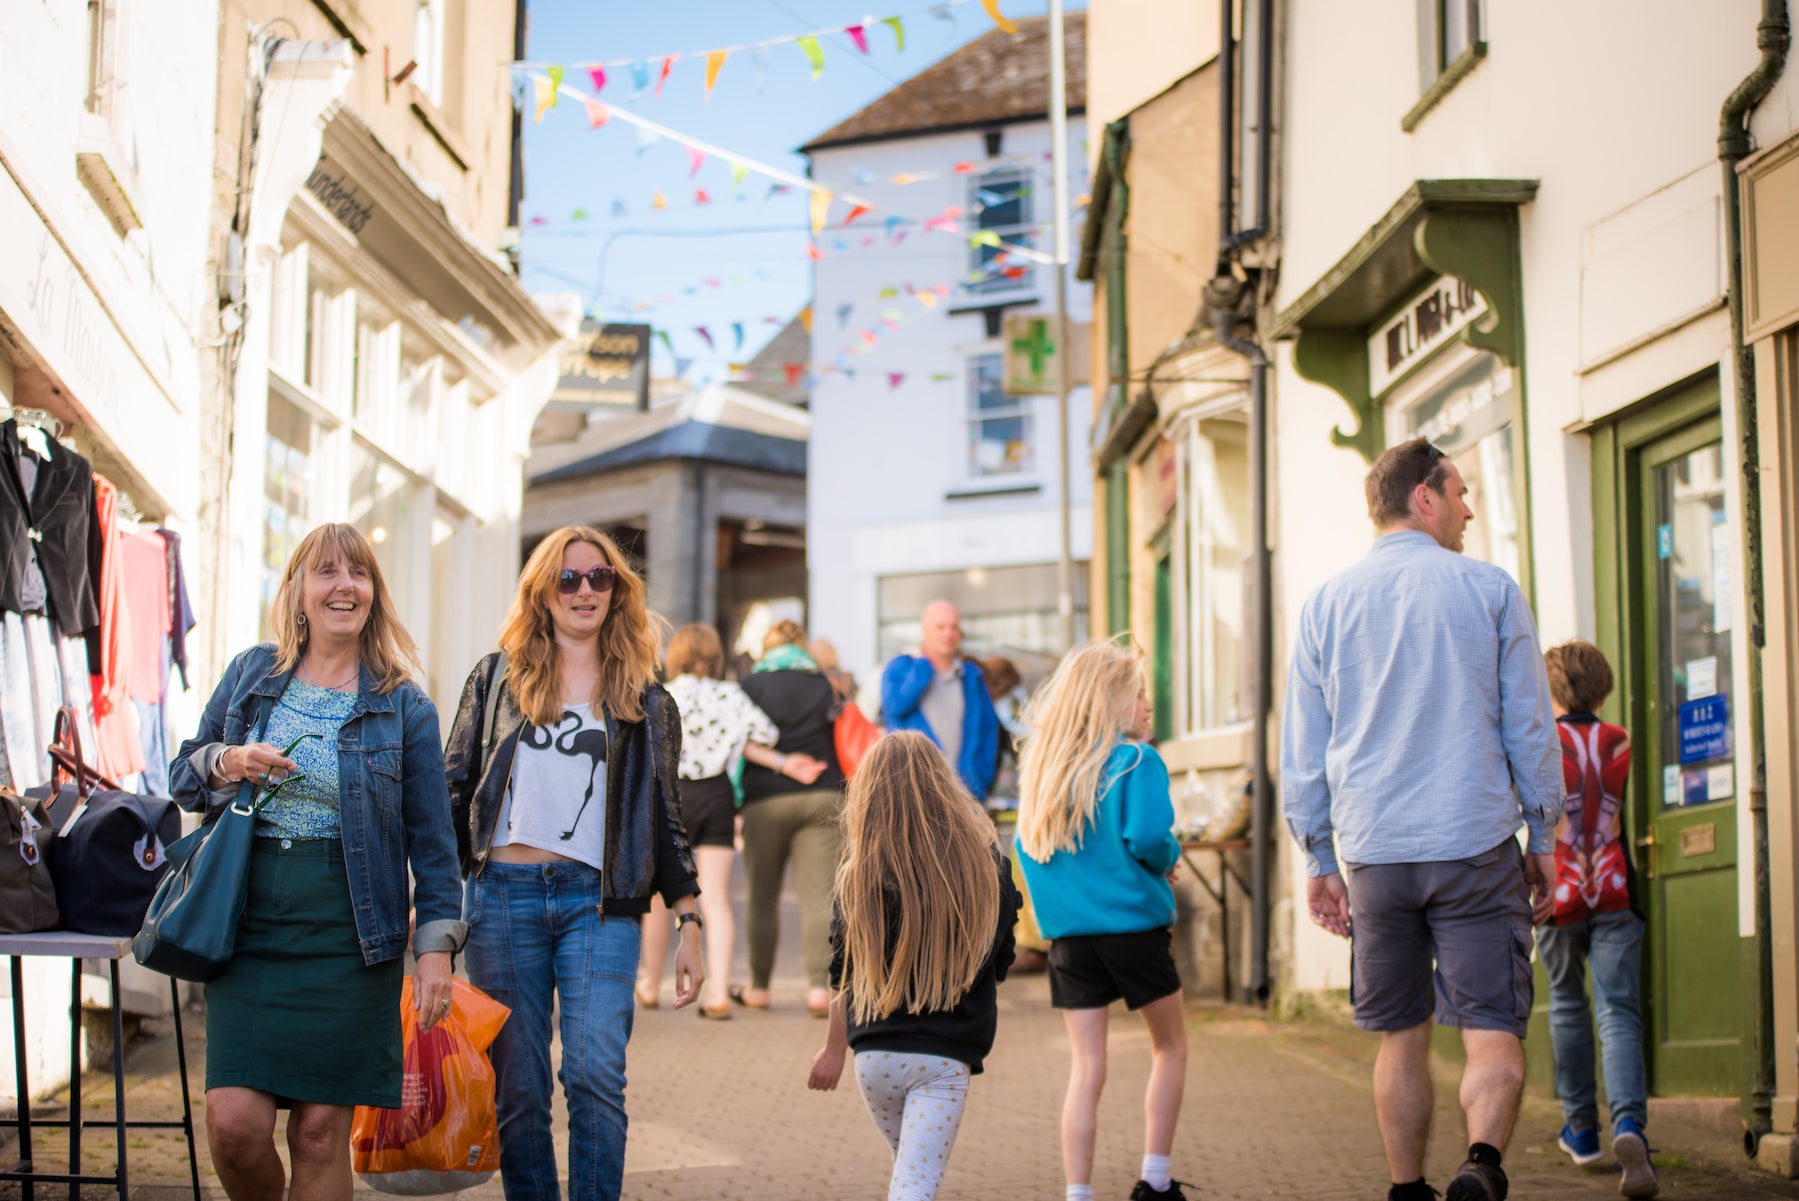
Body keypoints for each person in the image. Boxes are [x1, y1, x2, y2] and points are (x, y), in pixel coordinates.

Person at [1280, 438, 1563, 1201]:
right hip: (1472, 847)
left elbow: (1303, 750)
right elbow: (1529, 728)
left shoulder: (1324, 605)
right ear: (1425, 497)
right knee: (1492, 1029)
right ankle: (1481, 1163)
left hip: (1374, 855)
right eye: (1461, 492)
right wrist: (1545, 837)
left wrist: (1316, 857)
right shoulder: (1490, 590)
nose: (1469, 508)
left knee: (1398, 1038)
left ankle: (1407, 1188)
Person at [168, 523, 464, 1201]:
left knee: (319, 1133)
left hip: (351, 931)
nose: (344, 585)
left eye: (358, 573)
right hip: (246, 921)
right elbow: (182, 775)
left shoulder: (403, 706)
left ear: (373, 593)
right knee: (233, 1124)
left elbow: (435, 844)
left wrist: (435, 951)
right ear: (298, 590)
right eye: (326, 571)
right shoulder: (252, 674)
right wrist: (228, 760)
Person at [443, 525, 703, 1201]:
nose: (584, 590)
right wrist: (434, 910)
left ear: (618, 590)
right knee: (519, 1086)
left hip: (599, 902)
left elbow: (664, 815)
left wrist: (689, 921)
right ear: (543, 591)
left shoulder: (648, 698)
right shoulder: (496, 676)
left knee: (592, 1073)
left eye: (599, 577)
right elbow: (452, 790)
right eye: (568, 578)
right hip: (502, 898)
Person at [808, 731, 1021, 1201]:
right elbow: (1002, 952)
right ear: (944, 785)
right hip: (944, 1058)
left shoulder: (858, 872)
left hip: (873, 1058)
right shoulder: (986, 868)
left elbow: (842, 970)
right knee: (915, 1184)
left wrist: (833, 1050)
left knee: (910, 1173)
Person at [1016, 641, 1191, 1201]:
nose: (1147, 706)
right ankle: (1155, 1181)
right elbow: (1146, 839)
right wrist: (1169, 860)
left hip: (1069, 940)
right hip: (1134, 931)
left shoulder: (1044, 771)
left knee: (1086, 1067)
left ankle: (1078, 1192)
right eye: (1139, 694)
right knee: (1170, 1047)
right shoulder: (1138, 761)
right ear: (1112, 700)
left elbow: (1028, 850)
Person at [1538, 640, 1657, 1198]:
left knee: (1566, 1003)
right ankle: (1631, 1125)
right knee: (1619, 1012)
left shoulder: (1542, 743)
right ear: (1603, 683)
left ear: (1550, 687)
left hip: (1558, 894)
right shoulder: (1619, 740)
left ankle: (1582, 1129)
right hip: (1612, 890)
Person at [638, 622, 787, 1019]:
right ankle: (718, 993)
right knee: (716, 898)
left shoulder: (661, 695)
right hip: (718, 795)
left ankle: (650, 984)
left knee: (657, 896)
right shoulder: (731, 694)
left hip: (672, 797)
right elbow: (767, 734)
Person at [735, 620, 841, 1014]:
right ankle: (819, 991)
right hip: (823, 795)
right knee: (820, 899)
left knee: (762, 897)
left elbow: (736, 741)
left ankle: (759, 987)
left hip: (766, 799)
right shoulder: (826, 684)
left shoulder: (750, 686)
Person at [880, 601, 999, 801]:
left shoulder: (970, 677)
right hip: (916, 793)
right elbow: (894, 709)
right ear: (924, 631)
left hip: (965, 793)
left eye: (954, 627)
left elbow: (989, 730)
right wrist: (922, 669)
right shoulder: (900, 669)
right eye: (940, 627)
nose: (948, 634)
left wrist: (981, 776)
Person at [981, 655, 1049, 973]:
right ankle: (1029, 941)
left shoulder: (1001, 706)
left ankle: (1030, 944)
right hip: (1025, 794)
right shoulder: (1023, 700)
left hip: (1008, 794)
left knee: (1013, 869)